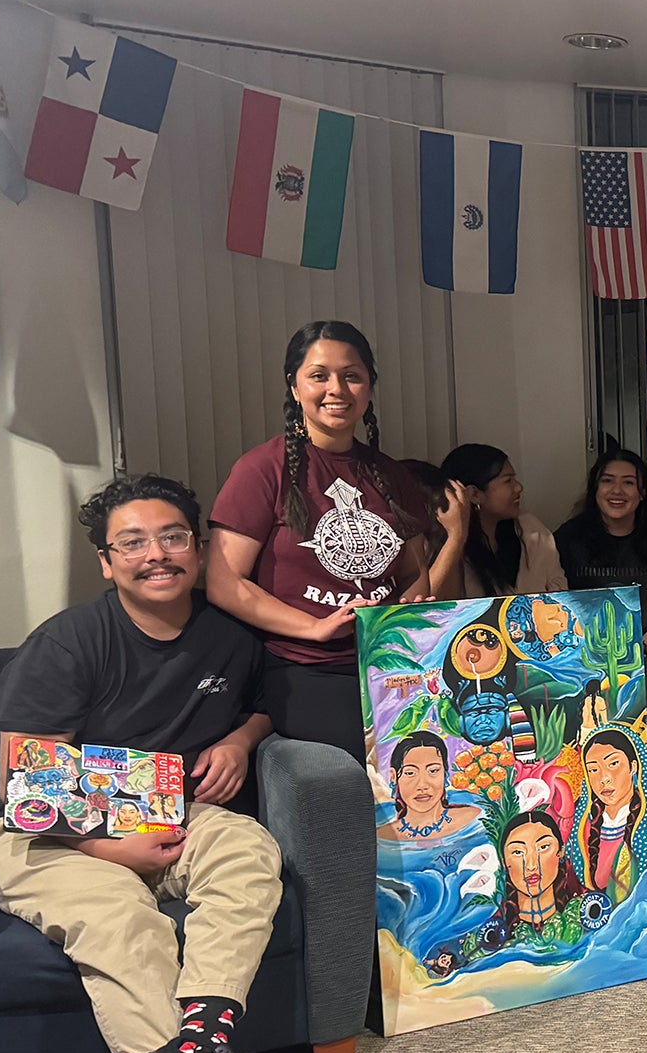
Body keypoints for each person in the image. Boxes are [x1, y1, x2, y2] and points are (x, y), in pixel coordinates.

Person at [0, 475, 290, 1053]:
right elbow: (24, 785)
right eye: (133, 542)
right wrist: (108, 846)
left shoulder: (229, 634)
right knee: (123, 917)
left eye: (173, 536)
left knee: (246, 848)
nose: (157, 554)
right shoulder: (68, 643)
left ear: (198, 550)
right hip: (40, 828)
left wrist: (240, 737)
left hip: (160, 809)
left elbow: (264, 705)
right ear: (106, 561)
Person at [207, 321, 431, 762]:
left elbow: (412, 573)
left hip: (389, 661)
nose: (337, 389)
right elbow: (222, 582)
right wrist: (317, 627)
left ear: (369, 387)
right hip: (305, 668)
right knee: (392, 757)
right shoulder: (261, 469)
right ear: (294, 387)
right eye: (319, 375)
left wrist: (405, 610)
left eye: (352, 375)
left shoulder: (391, 474)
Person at [553, 447, 647, 758]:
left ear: (642, 493)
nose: (617, 491)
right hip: (581, 654)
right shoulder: (569, 539)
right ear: (594, 489)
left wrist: (633, 651)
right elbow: (555, 607)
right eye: (607, 481)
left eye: (628, 483)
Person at [440, 443, 568, 600]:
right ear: (474, 494)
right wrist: (456, 538)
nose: (518, 488)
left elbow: (559, 592)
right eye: (508, 481)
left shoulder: (529, 529)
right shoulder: (444, 545)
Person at [572, 725, 647, 907]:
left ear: (633, 766)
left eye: (613, 764)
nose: (603, 778)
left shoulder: (643, 824)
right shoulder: (584, 828)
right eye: (593, 769)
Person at [376, 731, 481, 842]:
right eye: (410, 773)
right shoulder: (382, 837)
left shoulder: (474, 818)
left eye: (433, 770)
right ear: (394, 778)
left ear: (445, 775)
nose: (422, 785)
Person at [496, 809, 580, 938]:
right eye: (518, 852)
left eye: (543, 847)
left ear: (561, 851)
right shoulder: (493, 932)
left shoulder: (582, 914)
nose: (531, 865)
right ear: (504, 862)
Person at [399, 458, 472, 600]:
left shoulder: (434, 540)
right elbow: (422, 600)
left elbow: (452, 597)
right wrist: (456, 537)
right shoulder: (396, 542)